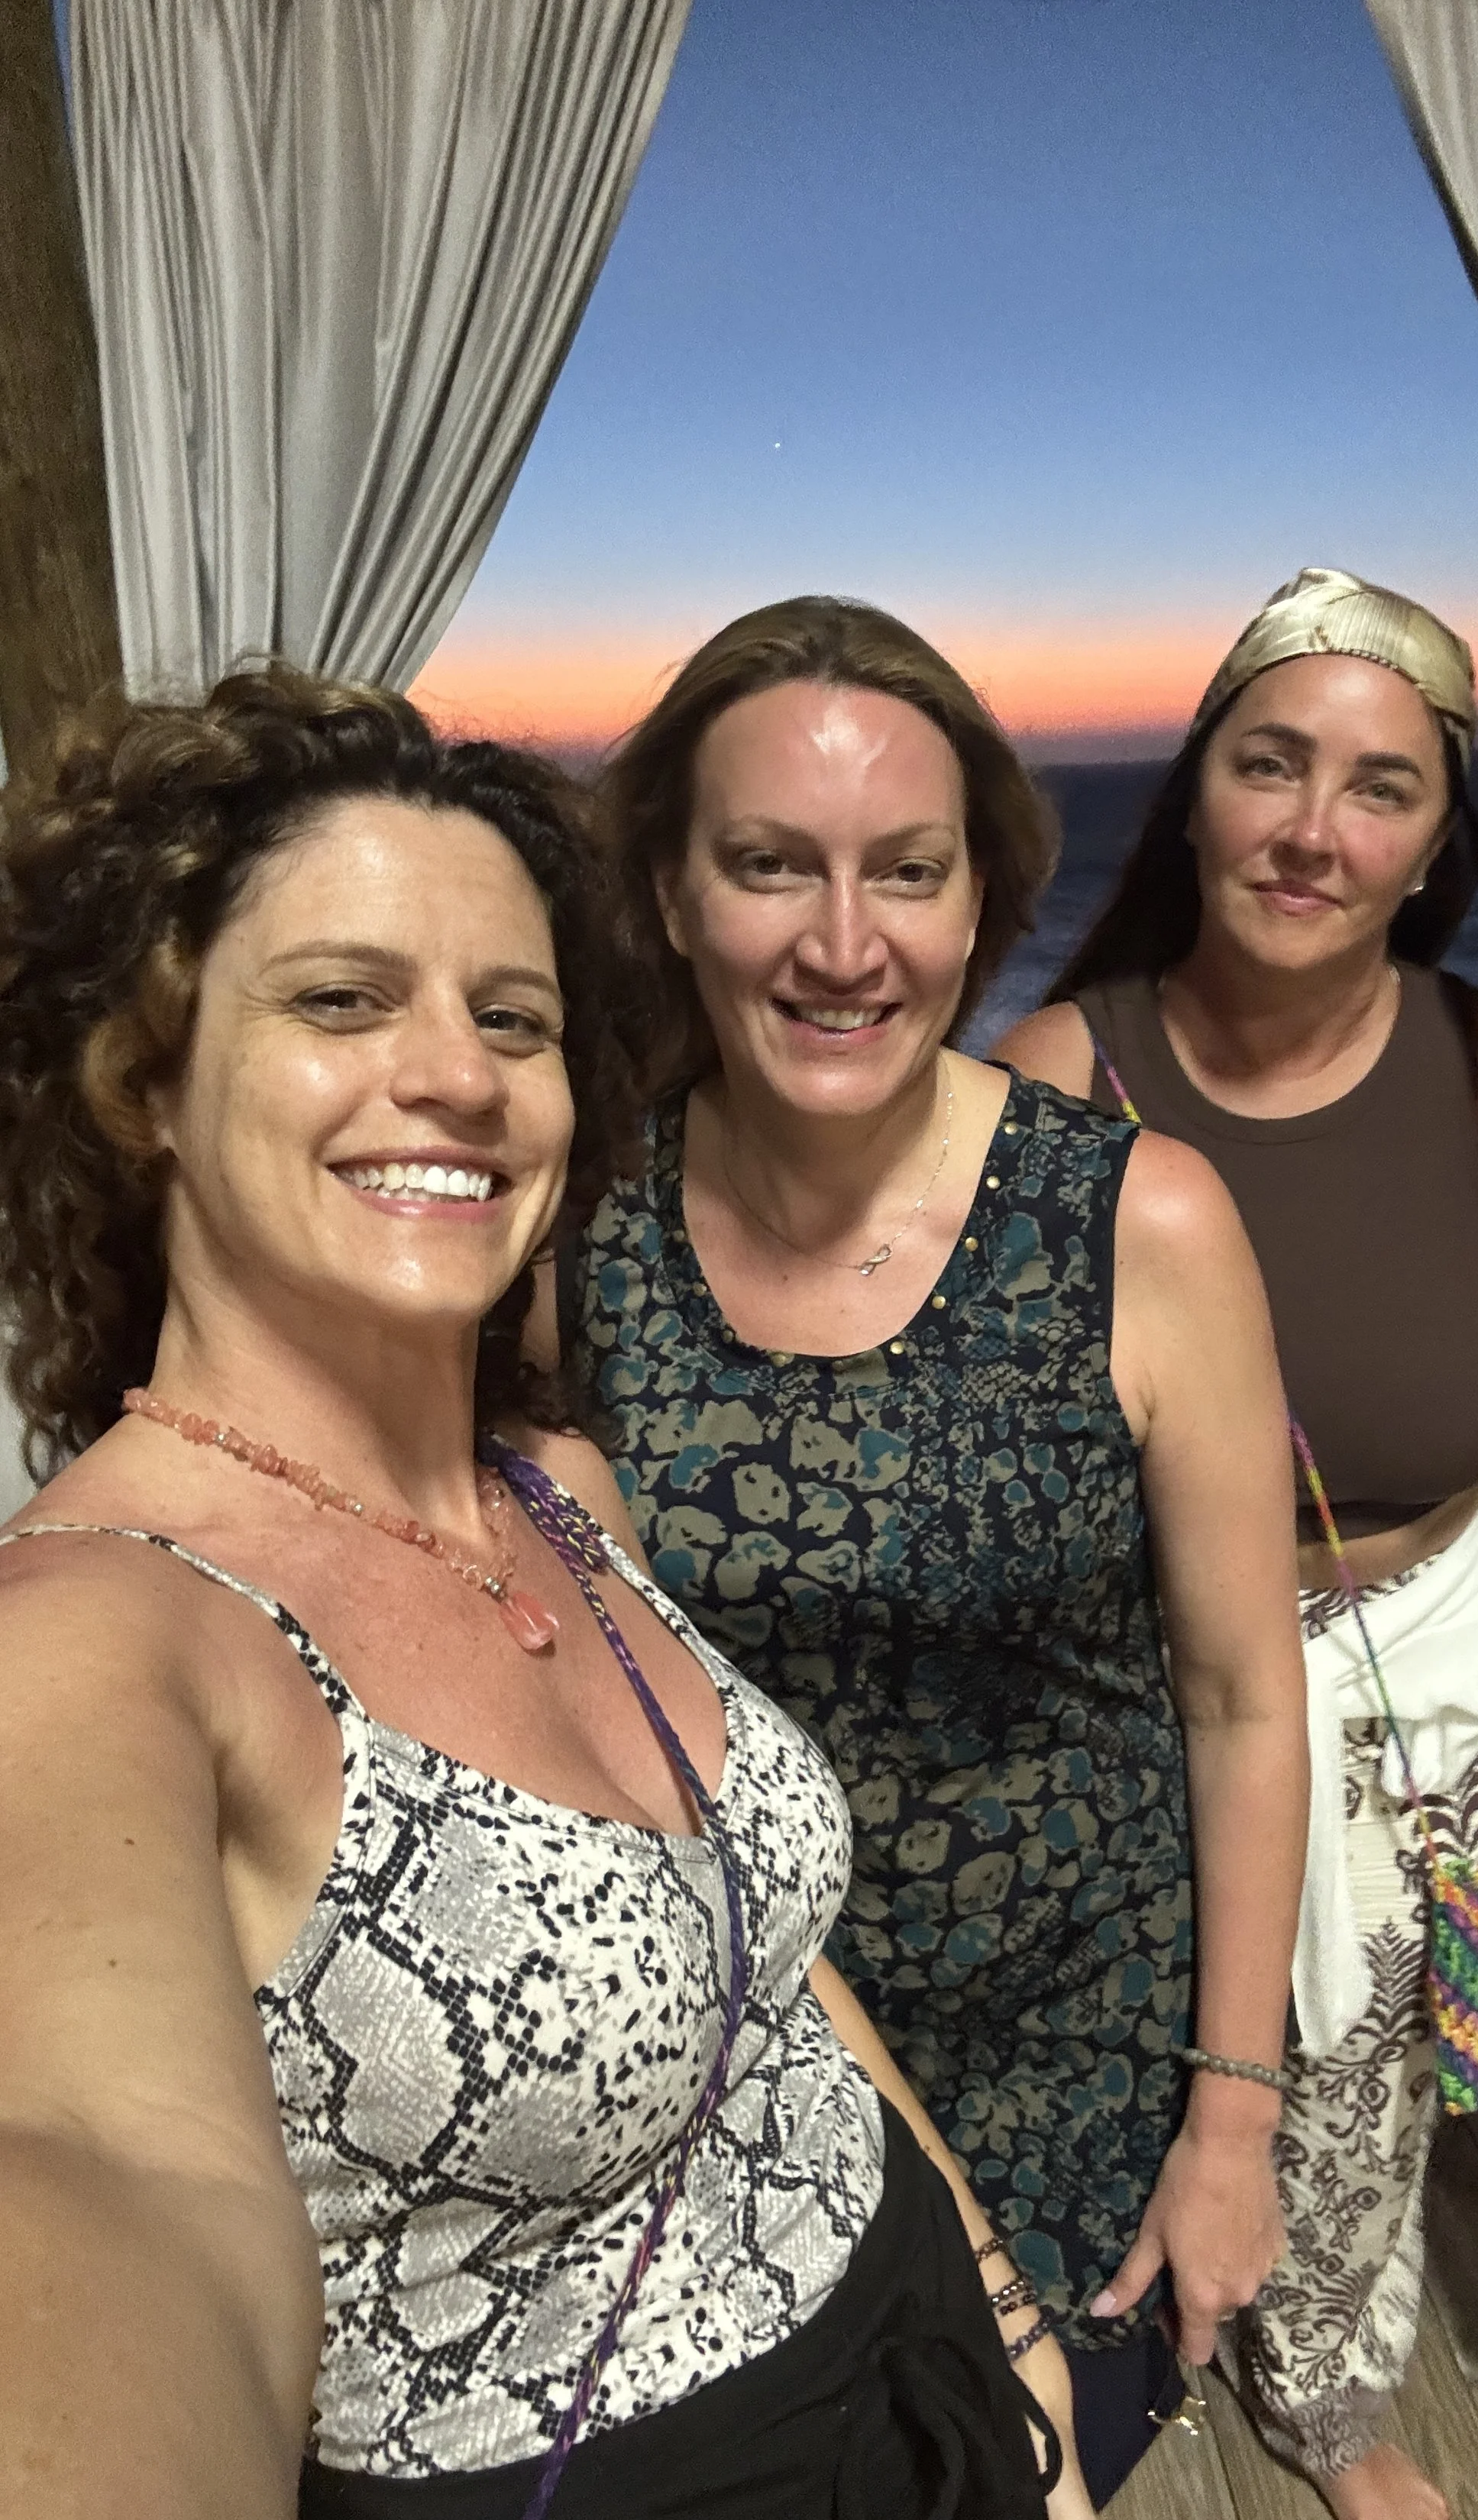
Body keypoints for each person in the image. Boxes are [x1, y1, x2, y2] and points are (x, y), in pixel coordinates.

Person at [0, 665, 1078, 2520]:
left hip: (925, 2363)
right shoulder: (103, 1633)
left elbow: (765, 1954)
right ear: (144, 1081)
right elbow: (106, 2171)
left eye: (516, 1016)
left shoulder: (559, 1493)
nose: (456, 1073)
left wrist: (994, 2306)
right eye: (341, 1000)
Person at [555, 593, 1309, 2509]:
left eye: (905, 869)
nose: (841, 942)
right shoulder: (588, 1234)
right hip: (740, 2068)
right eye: (766, 866)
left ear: (980, 902)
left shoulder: (1138, 1224)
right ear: (665, 892)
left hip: (1081, 2062)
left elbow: (1236, 1696)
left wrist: (1233, 2116)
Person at [998, 567, 1478, 2520]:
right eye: (1269, 765)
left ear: (1432, 850)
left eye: (1379, 789)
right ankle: (1115, 2312)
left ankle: (1319, 2395)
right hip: (1151, 1670)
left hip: (1428, 1646)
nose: (1314, 829)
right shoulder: (1054, 1083)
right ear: (1196, 797)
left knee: (1363, 2070)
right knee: (1157, 2022)